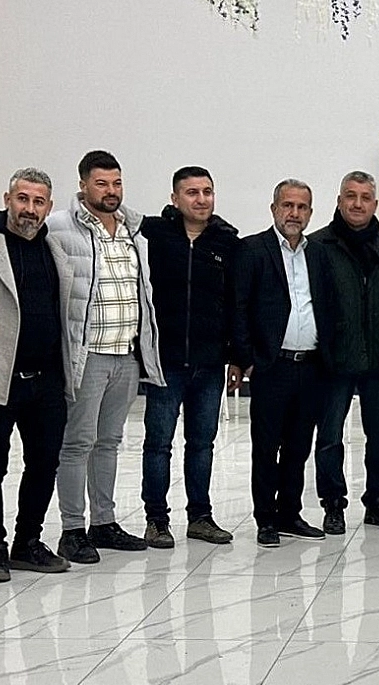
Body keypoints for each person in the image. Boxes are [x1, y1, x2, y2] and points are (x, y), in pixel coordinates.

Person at [48, 150, 166, 564]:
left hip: (126, 355)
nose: (110, 191)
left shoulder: (133, 229)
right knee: (77, 442)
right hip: (88, 356)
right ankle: (72, 529)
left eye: (116, 183)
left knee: (109, 442)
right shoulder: (59, 227)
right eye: (101, 183)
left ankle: (104, 521)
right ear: (83, 185)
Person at [0, 167, 73, 582]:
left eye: (38, 201)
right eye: (22, 199)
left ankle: (27, 541)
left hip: (47, 378)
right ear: (7, 200)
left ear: (49, 206)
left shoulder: (54, 249)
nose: (29, 209)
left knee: (44, 463)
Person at [230, 178, 338, 549]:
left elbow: (327, 306)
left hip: (311, 365)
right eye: (287, 205)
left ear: (310, 212)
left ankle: (289, 513)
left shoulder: (318, 253)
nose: (294, 213)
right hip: (271, 366)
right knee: (266, 446)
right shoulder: (252, 250)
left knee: (298, 445)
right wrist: (247, 359)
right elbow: (239, 307)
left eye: (302, 207)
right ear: (274, 208)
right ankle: (265, 519)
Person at [139, 166, 240, 548]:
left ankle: (200, 517)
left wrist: (235, 356)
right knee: (158, 444)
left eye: (207, 192)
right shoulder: (154, 235)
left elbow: (235, 303)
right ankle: (156, 520)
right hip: (165, 362)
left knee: (202, 444)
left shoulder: (227, 241)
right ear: (175, 198)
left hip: (209, 364)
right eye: (192, 192)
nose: (201, 199)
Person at [310, 170, 379, 534]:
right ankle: (333, 504)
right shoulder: (318, 246)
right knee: (330, 437)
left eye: (365, 197)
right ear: (339, 201)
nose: (358, 204)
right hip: (334, 360)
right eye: (351, 196)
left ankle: (377, 502)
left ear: (375, 204)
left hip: (378, 361)